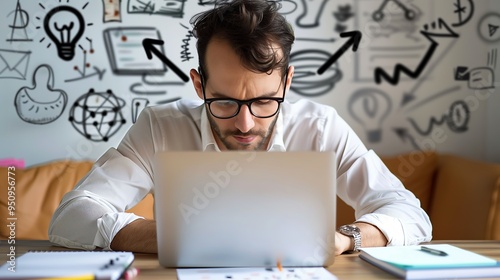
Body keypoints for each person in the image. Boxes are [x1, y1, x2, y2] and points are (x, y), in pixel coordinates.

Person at [49, 0, 432, 255]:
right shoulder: (159, 127)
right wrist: (181, 237)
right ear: (199, 85)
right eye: (225, 101)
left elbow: (410, 215)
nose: (245, 124)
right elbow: (72, 215)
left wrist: (344, 239)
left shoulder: (320, 128)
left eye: (265, 101)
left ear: (287, 83)